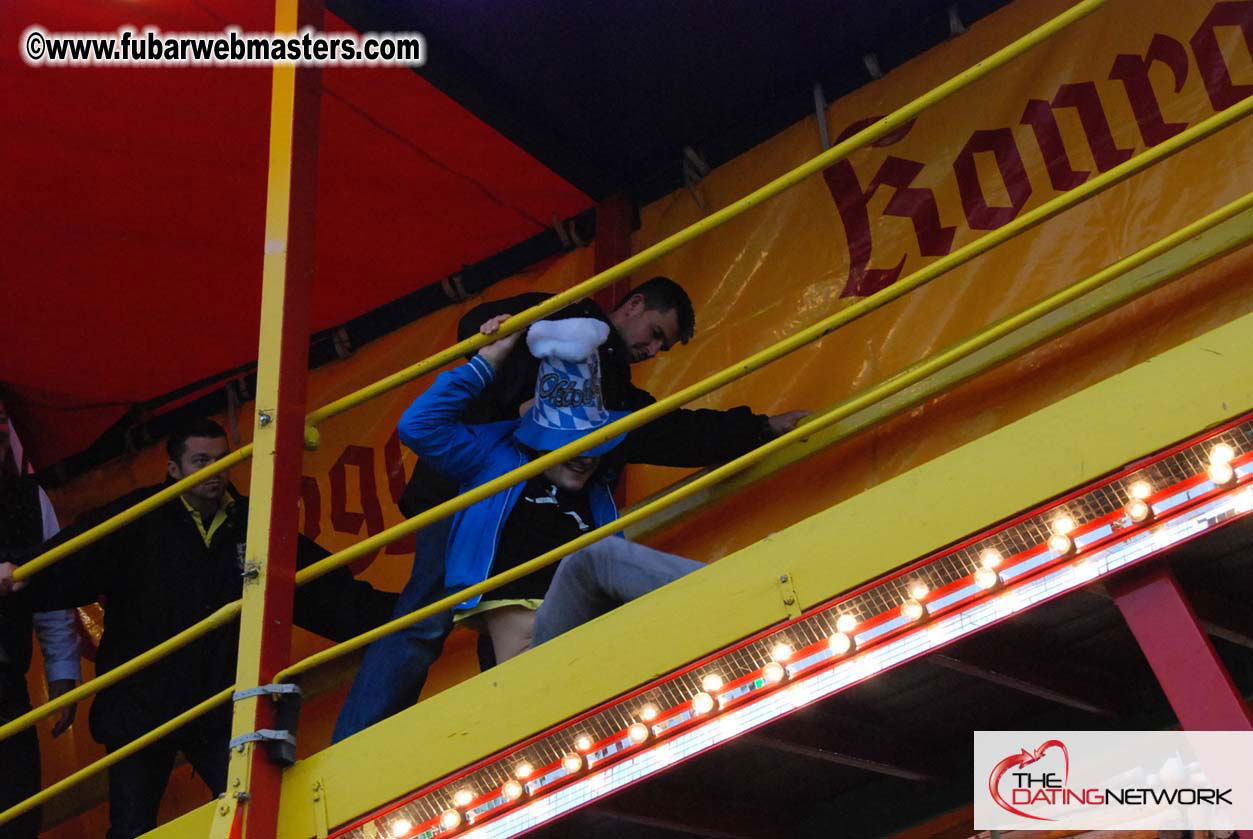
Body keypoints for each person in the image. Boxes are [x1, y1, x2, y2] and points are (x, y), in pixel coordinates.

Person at [335, 278, 806, 742]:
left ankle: (506, 737)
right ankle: (359, 741)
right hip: (473, 495)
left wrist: (758, 428)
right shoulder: (558, 313)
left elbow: (671, 431)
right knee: (425, 620)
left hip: (520, 527)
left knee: (492, 619)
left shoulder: (616, 394)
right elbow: (478, 327)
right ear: (634, 304)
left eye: (663, 347)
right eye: (656, 334)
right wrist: (502, 364)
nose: (653, 351)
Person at [0, 419, 398, 839]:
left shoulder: (252, 522)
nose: (213, 471)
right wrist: (22, 571)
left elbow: (320, 589)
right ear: (173, 469)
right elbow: (70, 560)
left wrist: (409, 612)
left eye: (221, 460)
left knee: (260, 808)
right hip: (142, 703)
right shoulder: (138, 517)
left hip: (219, 699)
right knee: (132, 827)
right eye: (200, 461)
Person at [397, 315, 701, 665]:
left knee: (601, 561)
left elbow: (681, 434)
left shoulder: (597, 491)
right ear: (540, 435)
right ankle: (727, 590)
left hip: (603, 646)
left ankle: (730, 598)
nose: (586, 457)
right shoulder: (494, 456)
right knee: (595, 556)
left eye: (596, 444)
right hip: (534, 656)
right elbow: (417, 426)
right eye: (571, 444)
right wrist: (489, 361)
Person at [0, 399, 80, 839]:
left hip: (7, 682)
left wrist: (63, 671)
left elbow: (52, 585)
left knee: (19, 815)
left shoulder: (29, 499)